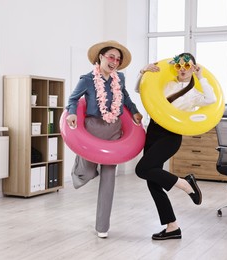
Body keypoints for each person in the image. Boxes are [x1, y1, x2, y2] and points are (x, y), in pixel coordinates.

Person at [135, 53, 217, 240]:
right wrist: (143, 72)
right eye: (179, 66)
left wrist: (201, 77)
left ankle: (185, 184)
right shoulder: (167, 85)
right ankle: (172, 227)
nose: (182, 69)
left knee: (142, 169)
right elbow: (141, 90)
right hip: (153, 132)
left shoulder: (195, 93)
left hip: (171, 135)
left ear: (193, 69)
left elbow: (212, 100)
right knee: (153, 182)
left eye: (187, 66)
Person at [66, 40, 143, 239]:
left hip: (114, 130)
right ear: (100, 57)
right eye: (111, 57)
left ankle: (102, 226)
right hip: (93, 129)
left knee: (109, 178)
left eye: (117, 59)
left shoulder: (121, 79)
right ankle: (81, 169)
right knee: (88, 171)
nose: (114, 61)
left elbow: (125, 97)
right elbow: (73, 99)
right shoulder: (87, 79)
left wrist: (134, 112)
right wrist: (72, 113)